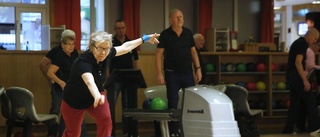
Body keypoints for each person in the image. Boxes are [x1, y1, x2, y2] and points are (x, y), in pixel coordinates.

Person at [61, 31, 159, 137]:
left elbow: (125, 47)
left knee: (106, 118)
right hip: (74, 101)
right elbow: (89, 81)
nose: (103, 52)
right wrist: (97, 95)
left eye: (106, 49)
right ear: (91, 47)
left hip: (96, 96)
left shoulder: (107, 52)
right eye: (100, 48)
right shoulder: (82, 62)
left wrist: (144, 39)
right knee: (73, 133)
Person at [155, 9, 202, 137]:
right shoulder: (165, 34)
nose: (180, 19)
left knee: (190, 102)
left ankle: (189, 129)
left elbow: (193, 52)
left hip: (187, 73)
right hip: (172, 74)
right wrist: (159, 73)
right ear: (171, 20)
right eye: (177, 17)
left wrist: (198, 69)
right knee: (173, 103)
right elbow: (159, 55)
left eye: (181, 17)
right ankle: (173, 131)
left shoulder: (188, 33)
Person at [39, 29, 87, 137]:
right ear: (62, 43)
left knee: (73, 112)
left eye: (73, 43)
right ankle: (52, 134)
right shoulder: (58, 53)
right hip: (59, 88)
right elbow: (47, 69)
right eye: (68, 43)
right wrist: (56, 81)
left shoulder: (74, 53)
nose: (71, 46)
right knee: (56, 110)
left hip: (71, 88)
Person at [282, 28, 320, 137]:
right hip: (296, 77)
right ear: (311, 36)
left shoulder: (299, 43)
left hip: (292, 77)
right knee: (311, 99)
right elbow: (298, 63)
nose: (315, 41)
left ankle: (288, 130)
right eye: (315, 38)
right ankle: (314, 128)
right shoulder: (302, 44)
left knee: (295, 104)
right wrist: (305, 80)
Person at [106, 19, 139, 137]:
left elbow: (135, 61)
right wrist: (107, 77)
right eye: (118, 28)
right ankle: (110, 132)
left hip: (129, 78)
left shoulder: (131, 42)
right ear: (115, 30)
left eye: (122, 28)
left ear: (126, 28)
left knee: (127, 106)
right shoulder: (111, 43)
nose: (120, 30)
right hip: (115, 78)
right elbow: (107, 62)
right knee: (110, 105)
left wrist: (136, 75)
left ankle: (127, 132)